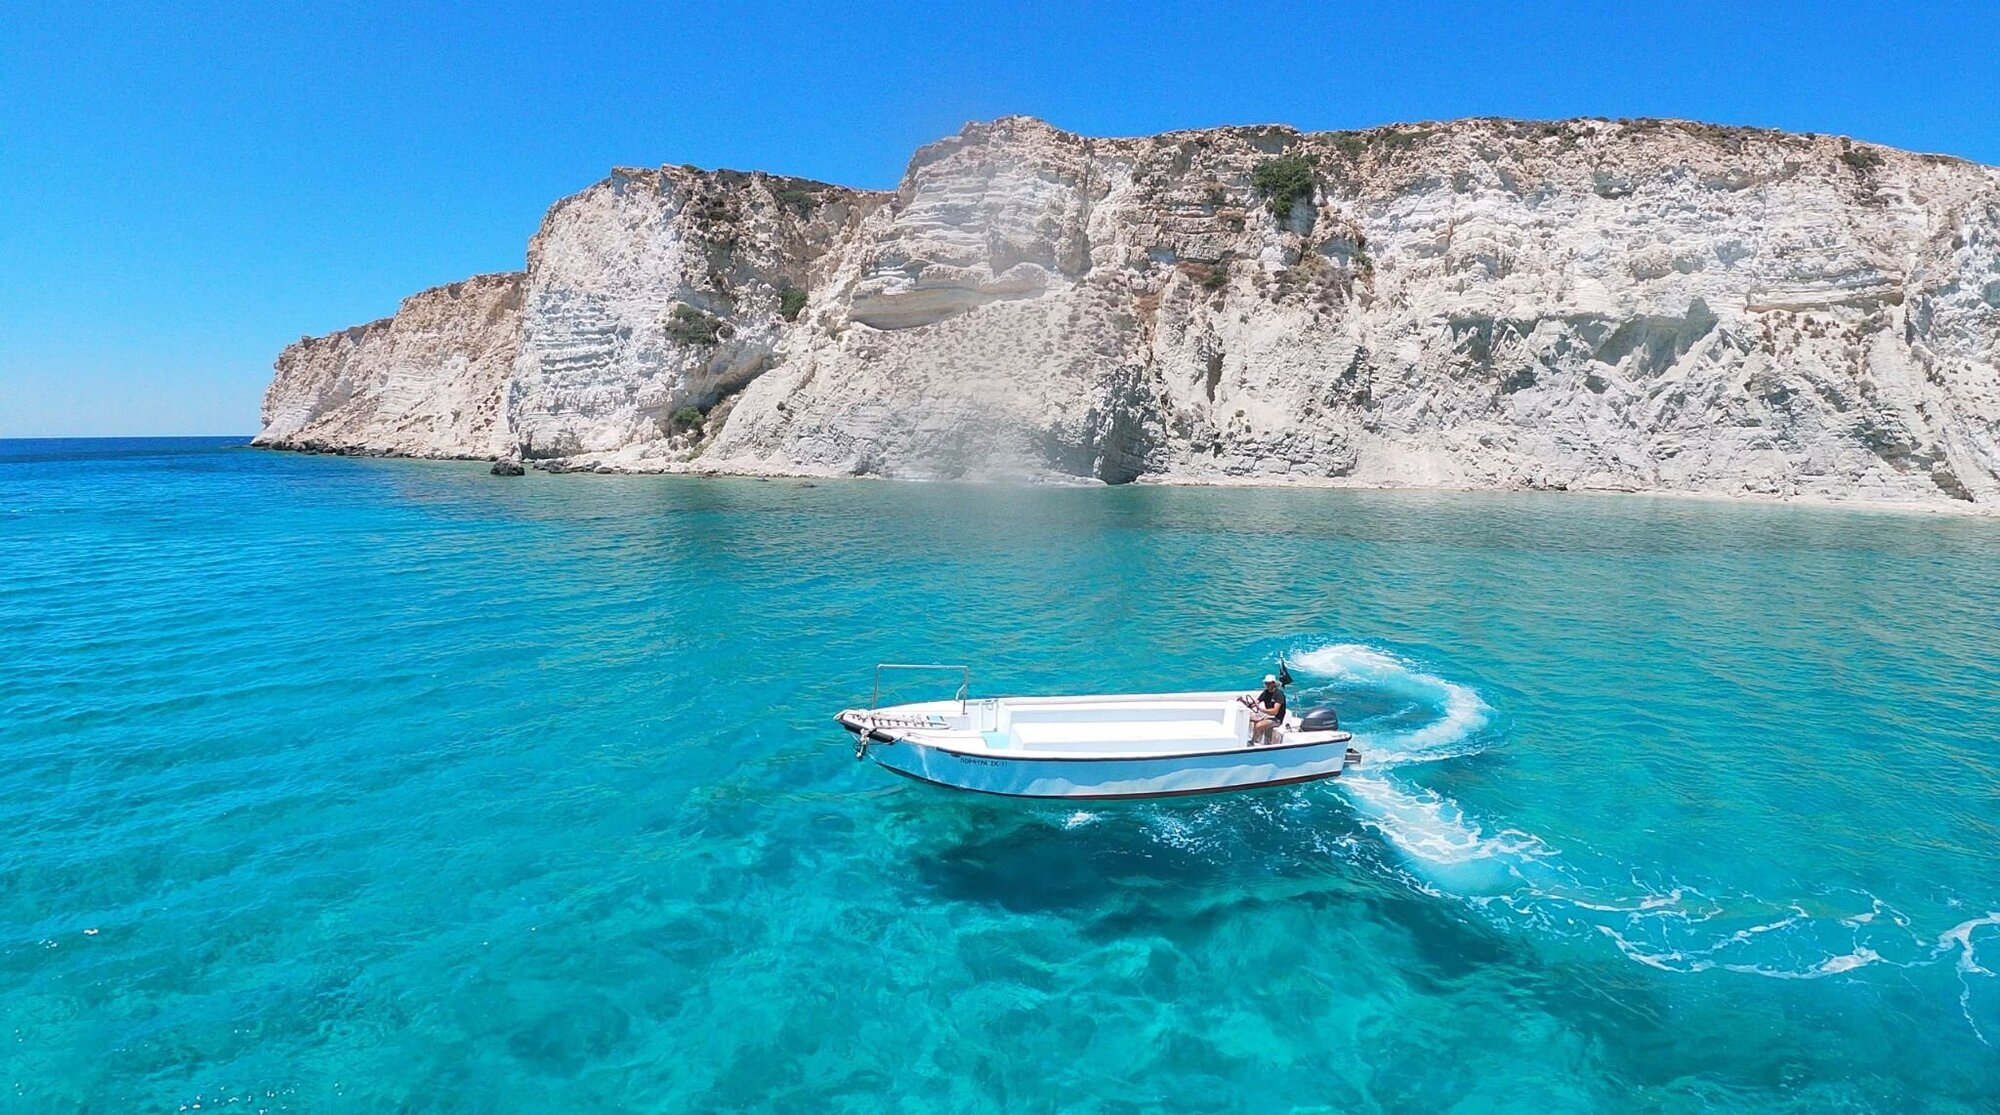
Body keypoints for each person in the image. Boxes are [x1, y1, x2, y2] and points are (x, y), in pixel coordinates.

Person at [1240, 674, 1287, 746]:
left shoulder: (1279, 694)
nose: (1266, 685)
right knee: (1248, 717)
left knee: (1259, 725)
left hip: (1277, 719)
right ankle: (1248, 739)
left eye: (1268, 683)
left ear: (1273, 683)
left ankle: (1253, 742)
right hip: (1267, 715)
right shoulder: (1265, 692)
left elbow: (1275, 711)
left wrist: (1261, 709)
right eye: (1265, 683)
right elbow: (1253, 704)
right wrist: (1242, 700)